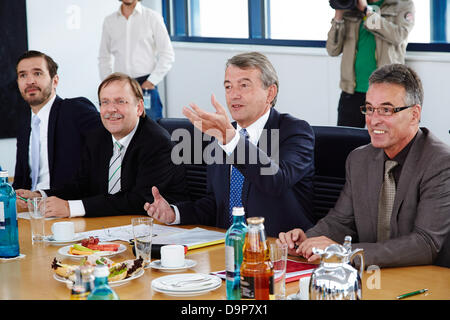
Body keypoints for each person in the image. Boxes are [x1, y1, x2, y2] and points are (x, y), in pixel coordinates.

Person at [278, 64, 450, 268]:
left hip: (422, 282)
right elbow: (340, 221)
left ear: (414, 114)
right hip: (371, 277)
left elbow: (425, 244)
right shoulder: (359, 159)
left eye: (386, 110)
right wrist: (306, 240)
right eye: (369, 109)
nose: (373, 120)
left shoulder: (440, 162)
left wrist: (343, 252)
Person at [144, 52, 315, 237]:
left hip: (279, 249)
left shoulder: (295, 131)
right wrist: (174, 213)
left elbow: (276, 180)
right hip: (227, 248)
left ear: (270, 92)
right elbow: (217, 204)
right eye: (228, 87)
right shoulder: (222, 136)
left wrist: (232, 140)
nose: (233, 95)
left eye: (244, 85)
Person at [16, 72, 188, 218]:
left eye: (120, 101)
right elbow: (81, 185)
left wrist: (71, 208)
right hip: (109, 226)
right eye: (105, 102)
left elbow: (138, 201)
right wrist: (40, 195)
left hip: (156, 228)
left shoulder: (157, 143)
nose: (111, 109)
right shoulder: (98, 136)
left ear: (139, 107)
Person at [13, 50, 102, 191]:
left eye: (37, 73)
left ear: (55, 81)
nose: (30, 81)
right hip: (29, 209)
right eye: (23, 75)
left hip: (65, 206)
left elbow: (106, 155)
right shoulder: (24, 125)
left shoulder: (75, 110)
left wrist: (43, 195)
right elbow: (20, 181)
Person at [327, 0, 415, 128]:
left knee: (384, 142)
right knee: (345, 143)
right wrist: (339, 13)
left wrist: (366, 11)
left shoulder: (402, 4)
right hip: (351, 91)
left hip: (386, 90)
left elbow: (398, 35)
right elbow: (332, 49)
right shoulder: (350, 6)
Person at [98, 0, 174, 121]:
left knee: (152, 130)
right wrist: (108, 83)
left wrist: (151, 81)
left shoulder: (152, 17)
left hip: (146, 85)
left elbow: (167, 54)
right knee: (122, 128)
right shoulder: (110, 21)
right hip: (120, 84)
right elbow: (104, 56)